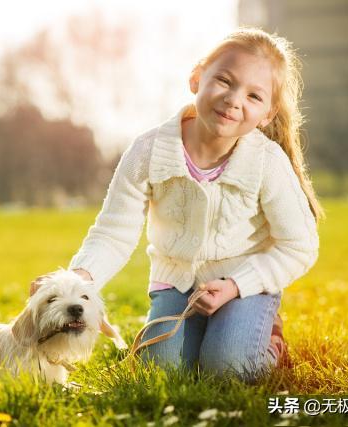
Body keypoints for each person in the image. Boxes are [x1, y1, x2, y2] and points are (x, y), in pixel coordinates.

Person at [31, 27, 324, 382]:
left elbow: (300, 245)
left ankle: (269, 341)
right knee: (162, 372)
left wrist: (235, 286)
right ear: (197, 78)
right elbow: (113, 233)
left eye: (254, 96)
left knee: (227, 371)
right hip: (177, 285)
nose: (234, 100)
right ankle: (201, 336)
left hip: (245, 286)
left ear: (267, 113)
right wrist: (77, 280)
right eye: (225, 81)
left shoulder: (267, 162)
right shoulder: (148, 151)